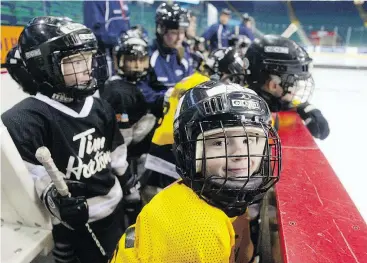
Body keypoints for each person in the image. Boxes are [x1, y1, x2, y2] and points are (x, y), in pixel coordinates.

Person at [110, 81, 282, 263]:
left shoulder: (213, 195)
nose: (240, 154)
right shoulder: (197, 232)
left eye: (250, 140)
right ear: (189, 152)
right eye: (219, 142)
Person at [2, 17, 129, 263]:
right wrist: (54, 200)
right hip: (78, 226)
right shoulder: (21, 120)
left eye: (88, 58)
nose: (86, 68)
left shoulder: (99, 105)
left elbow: (115, 151)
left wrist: (129, 186)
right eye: (73, 61)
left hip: (115, 207)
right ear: (42, 66)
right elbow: (27, 180)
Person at [143, 46, 249, 202]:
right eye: (232, 77)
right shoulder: (208, 90)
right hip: (174, 156)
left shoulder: (191, 79)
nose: (234, 83)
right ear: (222, 72)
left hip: (159, 150)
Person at [101, 30, 156, 224]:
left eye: (142, 59)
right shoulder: (119, 92)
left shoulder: (133, 84)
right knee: (133, 210)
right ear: (119, 60)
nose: (138, 65)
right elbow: (123, 140)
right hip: (126, 162)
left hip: (130, 158)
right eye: (132, 60)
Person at [245, 34, 330, 139]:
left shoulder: (275, 100)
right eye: (294, 83)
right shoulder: (245, 116)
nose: (297, 88)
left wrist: (306, 108)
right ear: (273, 85)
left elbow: (322, 131)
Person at [139, 2, 194, 118]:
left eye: (183, 32)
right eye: (174, 32)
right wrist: (164, 97)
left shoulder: (184, 54)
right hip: (155, 117)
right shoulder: (148, 55)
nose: (180, 38)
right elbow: (141, 90)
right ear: (161, 30)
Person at [83, 0, 131, 76]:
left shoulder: (121, 2)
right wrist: (120, 41)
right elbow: (94, 32)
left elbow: (126, 24)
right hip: (104, 57)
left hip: (120, 56)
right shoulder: (93, 2)